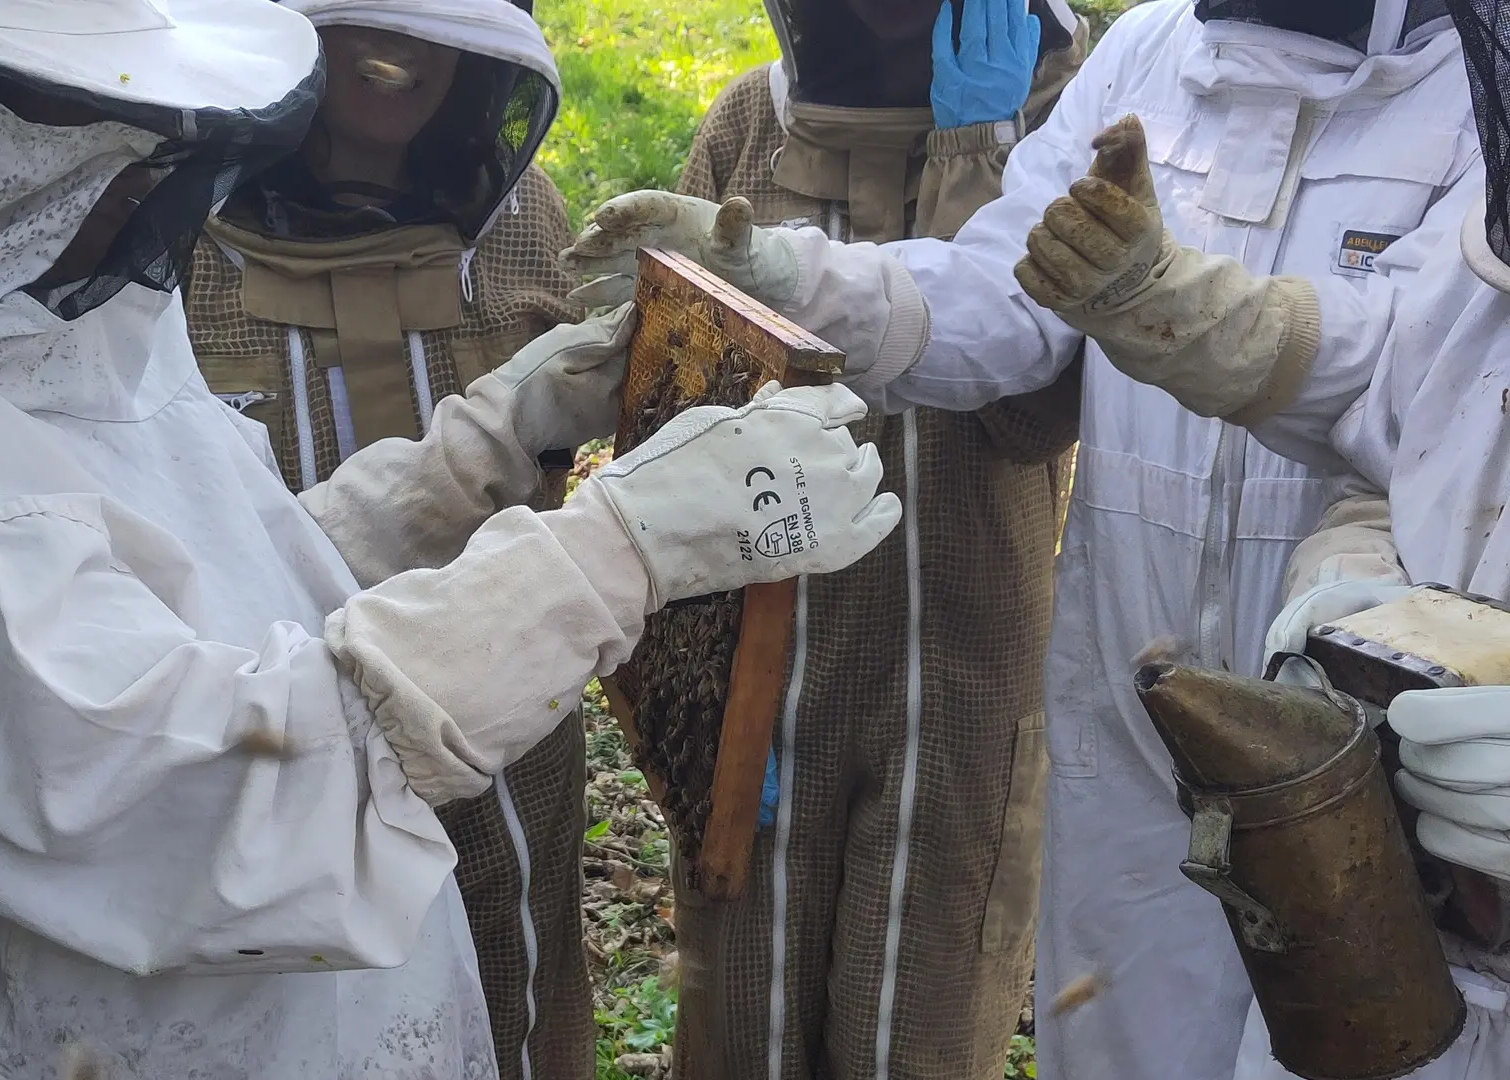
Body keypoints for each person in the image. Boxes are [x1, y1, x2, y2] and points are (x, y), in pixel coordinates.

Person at [0, 0, 907, 1076]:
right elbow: (240, 800)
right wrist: (615, 551)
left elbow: (235, 585)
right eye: (105, 127)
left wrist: (490, 437)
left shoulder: (34, 356)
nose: (149, 170)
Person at [560, 3, 1480, 1080]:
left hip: (1354, 681)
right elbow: (1007, 292)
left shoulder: (1477, 98)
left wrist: (1178, 304)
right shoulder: (1149, 55)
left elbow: (1431, 382)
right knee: (1125, 1034)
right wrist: (790, 278)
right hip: (1132, 696)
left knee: (1367, 1037)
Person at [1014, 0, 1510, 1072]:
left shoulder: (1448, 109)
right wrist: (1349, 592)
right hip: (1385, 856)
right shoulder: (1488, 218)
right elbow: (1404, 440)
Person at [647, 0, 1087, 1076]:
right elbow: (681, 405)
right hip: (764, 669)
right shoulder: (748, 122)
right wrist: (688, 690)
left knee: (917, 1034)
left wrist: (979, 159)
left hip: (964, 673)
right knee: (744, 1031)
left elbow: (1031, 419)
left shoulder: (1063, 118)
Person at [180, 2, 590, 1075]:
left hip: (514, 751)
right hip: (263, 762)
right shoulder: (168, 243)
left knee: (519, 1005)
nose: (398, 37)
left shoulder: (527, 219)